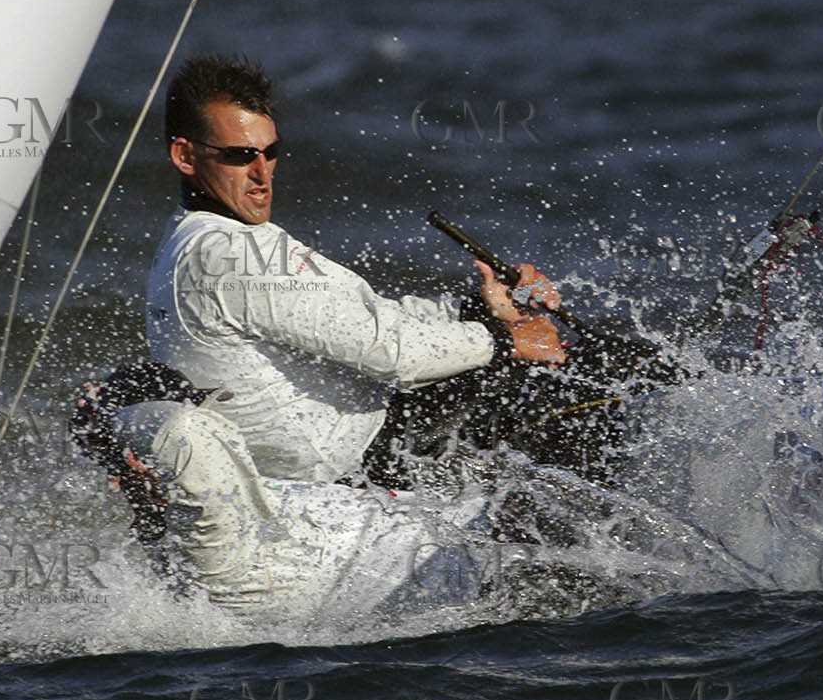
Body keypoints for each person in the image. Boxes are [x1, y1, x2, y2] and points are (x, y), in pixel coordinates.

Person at [145, 52, 568, 488]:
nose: (262, 173)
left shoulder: (191, 242)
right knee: (572, 380)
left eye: (272, 152)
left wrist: (476, 310)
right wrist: (505, 338)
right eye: (240, 155)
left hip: (352, 445)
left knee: (551, 375)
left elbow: (364, 319)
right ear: (186, 155)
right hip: (360, 461)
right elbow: (395, 353)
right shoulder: (232, 255)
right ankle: (577, 551)